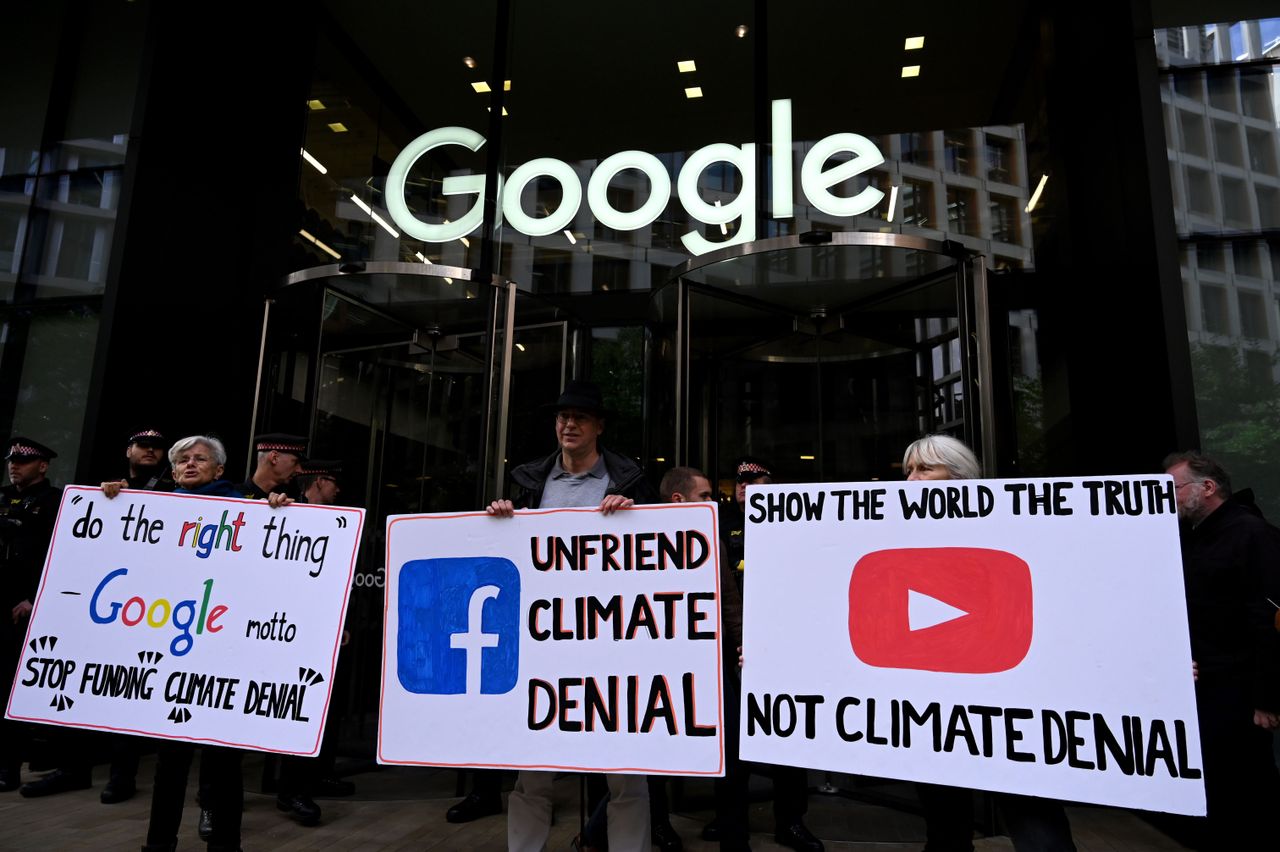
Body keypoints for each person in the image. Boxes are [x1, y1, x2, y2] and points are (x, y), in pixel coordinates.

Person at [488, 380, 657, 852]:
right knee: (534, 767)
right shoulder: (528, 483)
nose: (568, 424)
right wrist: (503, 519)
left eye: (580, 417)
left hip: (613, 643)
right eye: (563, 416)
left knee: (624, 771)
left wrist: (636, 514)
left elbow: (656, 555)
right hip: (545, 645)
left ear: (599, 427)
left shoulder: (629, 482)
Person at [903, 434, 1075, 852]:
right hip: (934, 703)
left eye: (925, 469)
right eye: (909, 470)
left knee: (1034, 818)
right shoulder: (892, 534)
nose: (911, 480)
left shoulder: (1017, 530)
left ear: (960, 477)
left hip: (1010, 703)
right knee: (944, 824)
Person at [140, 434, 287, 852]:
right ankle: (157, 844)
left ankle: (225, 845)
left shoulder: (244, 507)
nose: (189, 465)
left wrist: (276, 513)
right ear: (172, 471)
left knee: (223, 762)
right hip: (172, 650)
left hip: (223, 654)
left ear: (219, 470)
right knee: (170, 763)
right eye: (182, 460)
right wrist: (113, 498)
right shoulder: (153, 510)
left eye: (199, 459)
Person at [1163, 450, 1280, 849]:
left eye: (1173, 488)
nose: (1169, 498)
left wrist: (1268, 699)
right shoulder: (1193, 537)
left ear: (1207, 488)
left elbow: (1269, 621)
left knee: (1247, 794)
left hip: (1242, 692)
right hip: (1207, 687)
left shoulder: (1251, 534)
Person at [709, 456, 822, 852]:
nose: (746, 486)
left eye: (757, 480)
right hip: (730, 643)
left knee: (786, 736)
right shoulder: (718, 524)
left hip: (783, 644)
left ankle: (790, 821)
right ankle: (727, 820)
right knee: (730, 740)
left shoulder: (797, 524)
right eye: (741, 482)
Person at [0, 438, 62, 794]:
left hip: (23, 606)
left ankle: (9, 767)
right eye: (12, 461)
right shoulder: (2, 496)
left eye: (24, 462)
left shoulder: (53, 502)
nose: (15, 466)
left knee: (13, 690)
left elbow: (57, 555)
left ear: (42, 466)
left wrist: (35, 598)